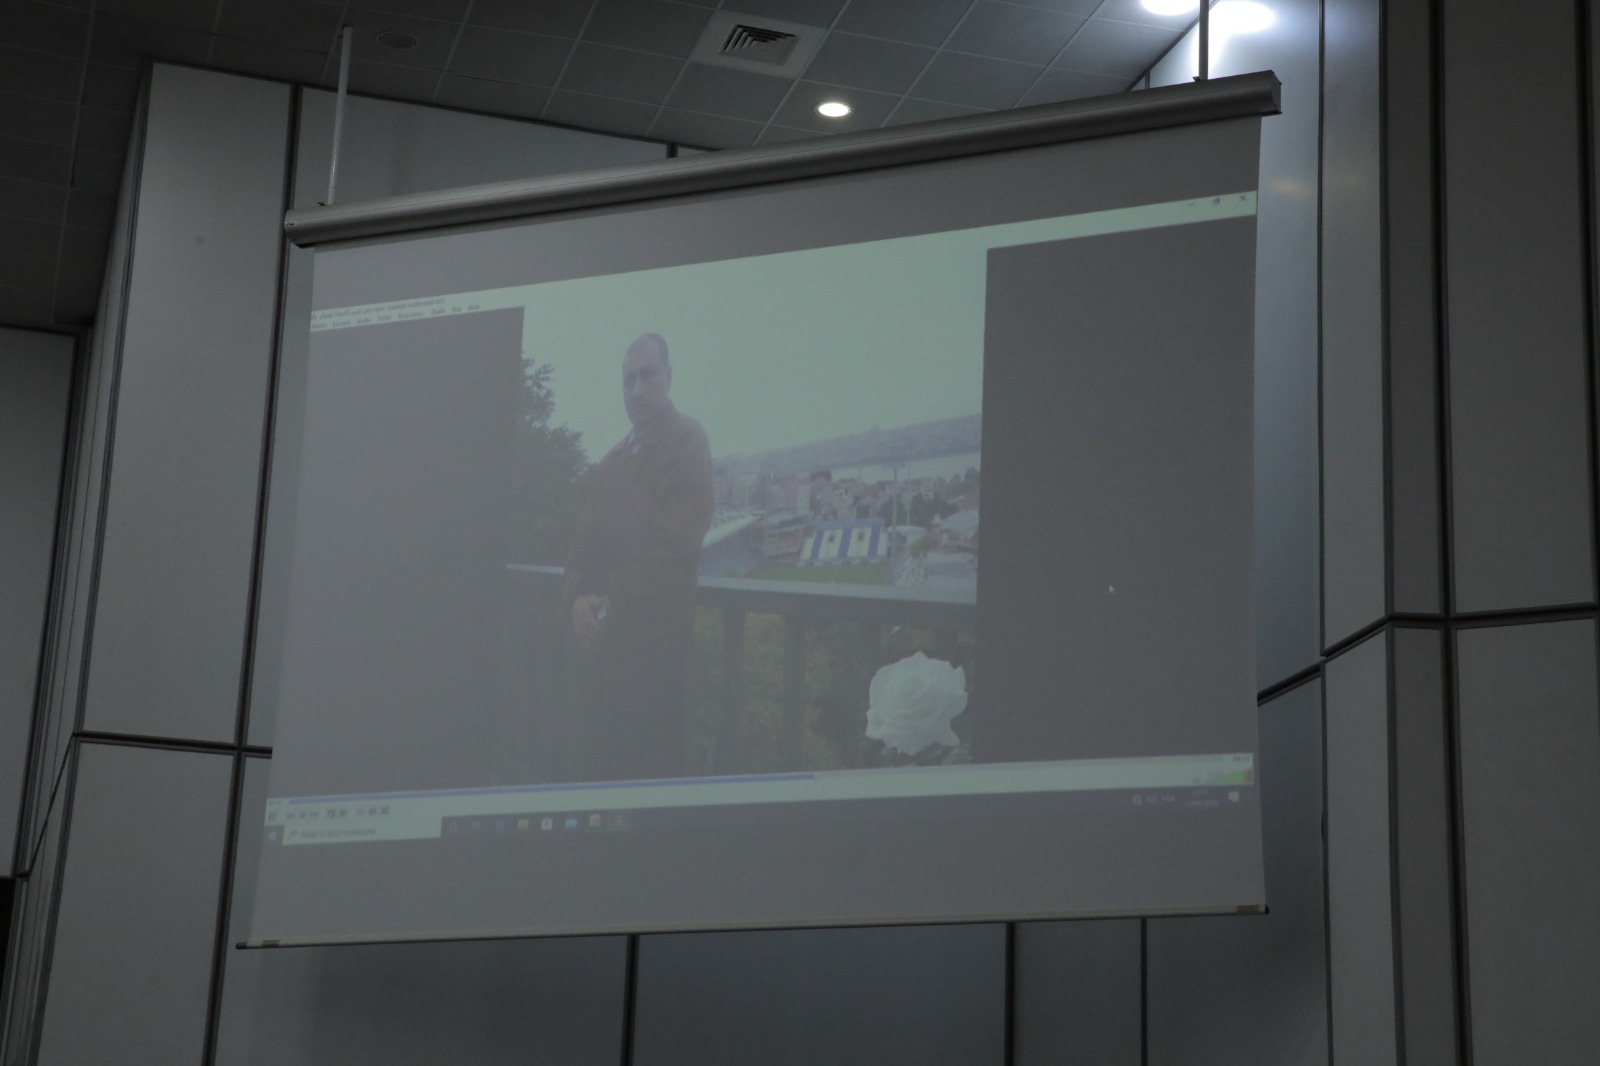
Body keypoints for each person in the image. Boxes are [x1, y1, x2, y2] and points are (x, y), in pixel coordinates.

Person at [562, 333, 713, 781]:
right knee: (601, 782)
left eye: (648, 376)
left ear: (669, 377)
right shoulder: (612, 461)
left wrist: (602, 612)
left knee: (648, 785)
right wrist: (575, 601)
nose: (637, 389)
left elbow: (671, 548)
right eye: (628, 379)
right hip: (603, 663)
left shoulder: (686, 440)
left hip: (653, 663)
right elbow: (582, 546)